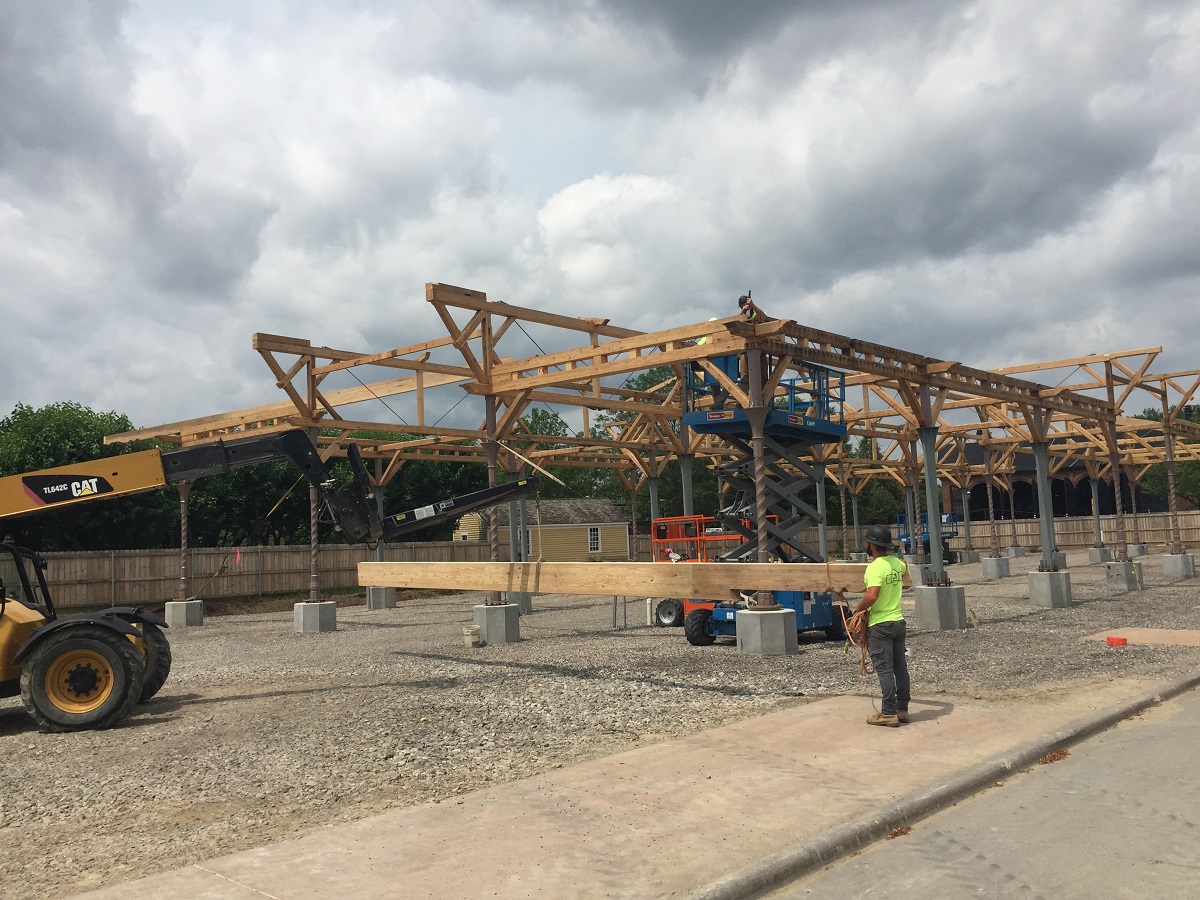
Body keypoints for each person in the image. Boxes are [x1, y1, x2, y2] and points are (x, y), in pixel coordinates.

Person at [853, 523, 910, 727]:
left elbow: (872, 594)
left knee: (885, 669)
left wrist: (858, 610)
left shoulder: (875, 567)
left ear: (872, 546)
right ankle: (902, 709)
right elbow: (904, 565)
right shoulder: (896, 564)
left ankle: (887, 713)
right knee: (900, 668)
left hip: (880, 624)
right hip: (898, 622)